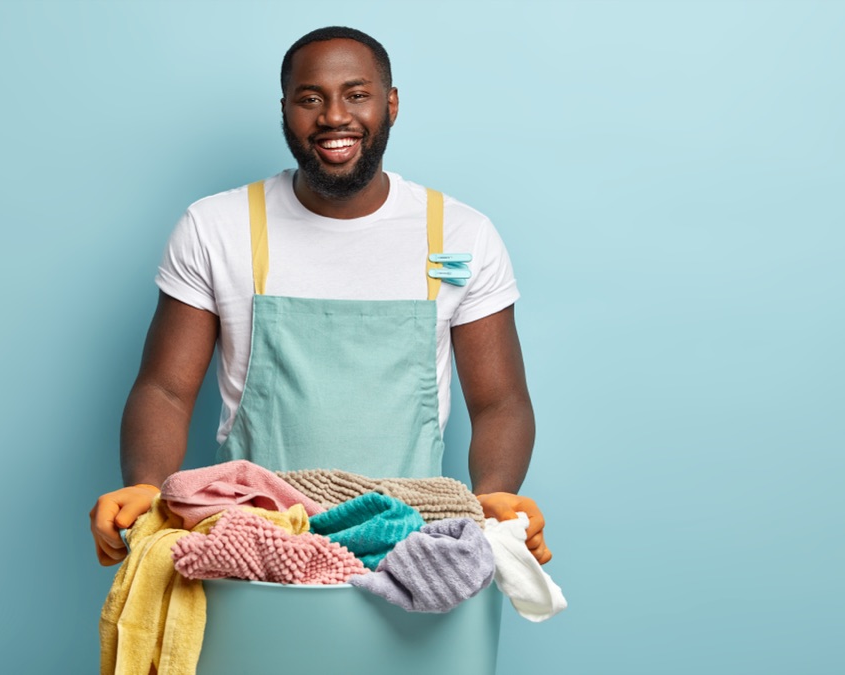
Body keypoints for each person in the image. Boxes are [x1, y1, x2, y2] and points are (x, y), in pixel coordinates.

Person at [90, 26, 553, 569]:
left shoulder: (460, 233)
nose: (334, 116)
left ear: (391, 103)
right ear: (284, 109)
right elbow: (165, 390)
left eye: (357, 95)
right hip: (250, 541)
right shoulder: (216, 227)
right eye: (310, 99)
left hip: (410, 546)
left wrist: (495, 492)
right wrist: (144, 486)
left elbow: (500, 403)